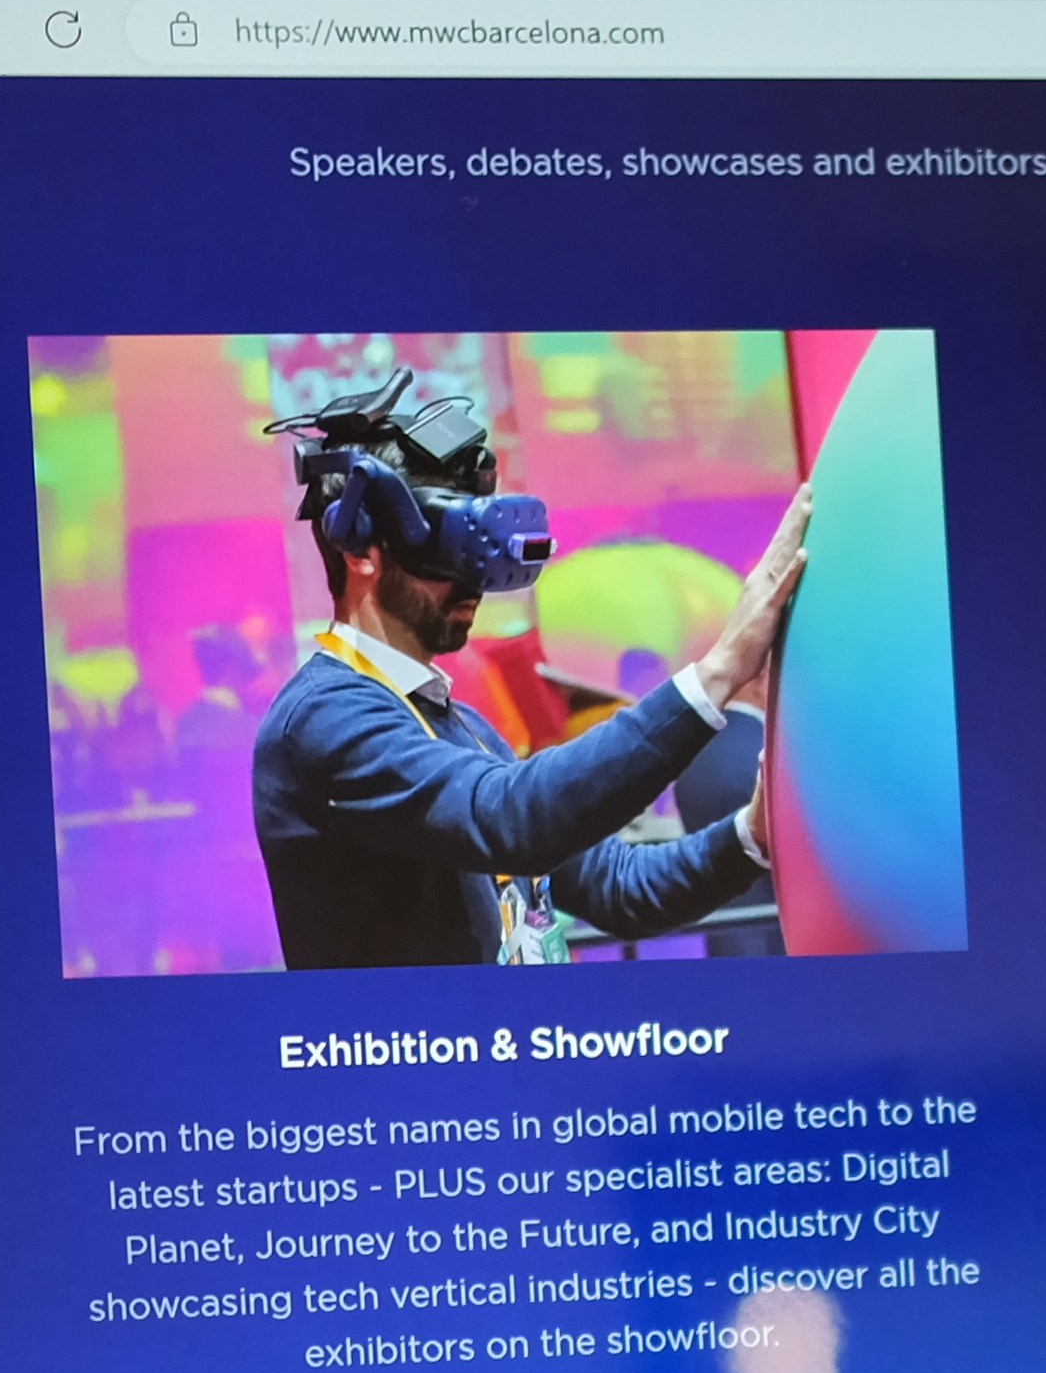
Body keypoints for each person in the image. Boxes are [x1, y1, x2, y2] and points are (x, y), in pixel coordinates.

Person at [244, 364, 816, 969]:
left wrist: (749, 836)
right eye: (445, 547)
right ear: (359, 550)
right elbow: (512, 818)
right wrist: (720, 671)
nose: (474, 579)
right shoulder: (325, 718)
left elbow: (619, 887)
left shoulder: (460, 727)